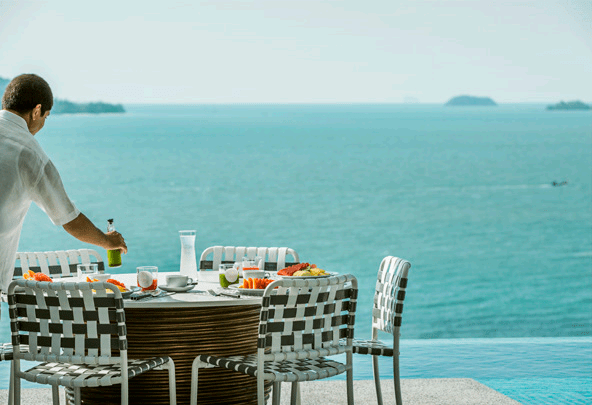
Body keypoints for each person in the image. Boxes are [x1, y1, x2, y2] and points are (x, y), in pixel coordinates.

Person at [0, 73, 127, 293]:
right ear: (37, 111)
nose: (42, 124)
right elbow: (70, 219)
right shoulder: (29, 153)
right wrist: (108, 242)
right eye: (45, 117)